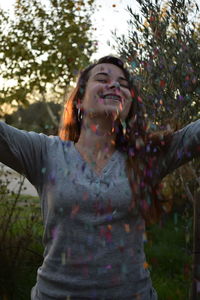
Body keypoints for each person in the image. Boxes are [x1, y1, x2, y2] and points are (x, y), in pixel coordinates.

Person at [0, 55, 199, 300]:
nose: (115, 85)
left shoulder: (147, 157)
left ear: (129, 105)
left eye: (123, 84)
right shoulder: (44, 153)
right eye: (102, 79)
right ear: (80, 101)